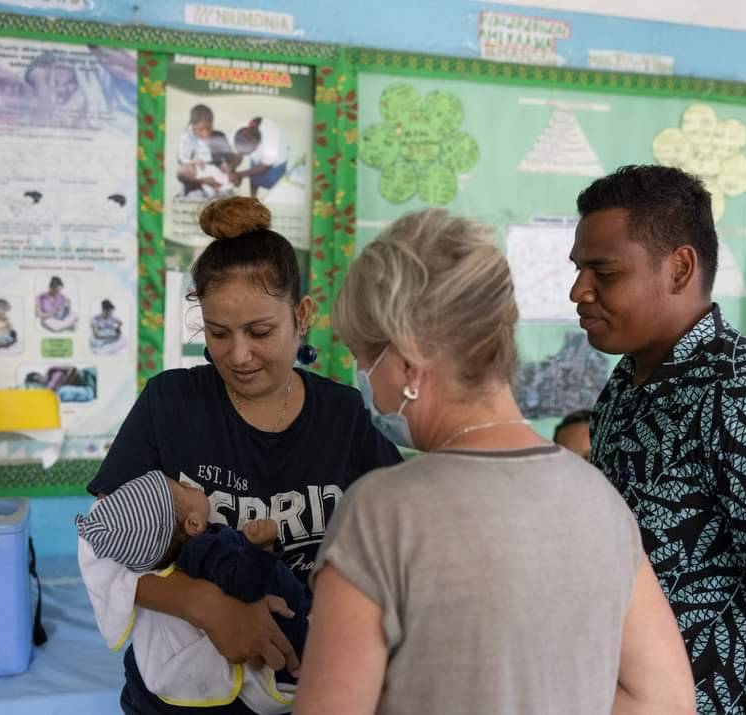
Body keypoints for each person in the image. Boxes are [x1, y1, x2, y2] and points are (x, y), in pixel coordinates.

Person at [292, 208, 695, 715]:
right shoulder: (598, 499)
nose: (364, 378)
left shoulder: (381, 512)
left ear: (408, 359)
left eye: (365, 358)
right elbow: (665, 700)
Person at [78, 196, 402, 715]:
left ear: (302, 316)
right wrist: (208, 607)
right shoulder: (171, 404)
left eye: (260, 332)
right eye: (217, 333)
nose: (239, 355)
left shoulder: (344, 418)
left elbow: (397, 543)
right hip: (178, 696)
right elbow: (103, 547)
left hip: (312, 687)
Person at [572, 165, 746, 714]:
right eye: (579, 269)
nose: (578, 290)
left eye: (602, 272)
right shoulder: (629, 385)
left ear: (679, 267)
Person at [76, 471, 309, 712]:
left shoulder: (178, 559)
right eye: (184, 488)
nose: (188, 483)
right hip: (281, 652)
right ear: (193, 524)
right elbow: (245, 587)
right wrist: (261, 549)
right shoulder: (207, 547)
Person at [176, 104, 232, 197]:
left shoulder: (219, 136)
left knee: (226, 194)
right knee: (196, 196)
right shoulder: (187, 138)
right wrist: (194, 163)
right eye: (200, 129)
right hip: (197, 182)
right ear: (192, 126)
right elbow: (182, 159)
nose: (205, 133)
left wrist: (225, 164)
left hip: (217, 177)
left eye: (209, 128)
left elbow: (227, 157)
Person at [231, 118, 288, 198]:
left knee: (273, 187)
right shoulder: (241, 130)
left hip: (277, 163)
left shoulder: (271, 138)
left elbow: (264, 166)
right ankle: (253, 197)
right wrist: (231, 169)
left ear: (258, 146)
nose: (244, 154)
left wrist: (240, 175)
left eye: (247, 152)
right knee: (254, 179)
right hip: (261, 157)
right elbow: (239, 154)